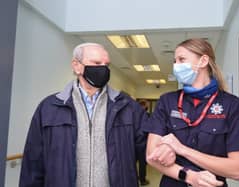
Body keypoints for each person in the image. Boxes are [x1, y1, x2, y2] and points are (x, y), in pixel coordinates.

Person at [19, 43, 148, 187]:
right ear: (76, 66)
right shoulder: (48, 108)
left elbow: (147, 150)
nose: (104, 69)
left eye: (107, 64)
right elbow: (33, 163)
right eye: (97, 63)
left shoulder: (128, 107)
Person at [144, 38, 239, 187]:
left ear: (203, 61)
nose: (176, 66)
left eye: (181, 59)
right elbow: (151, 156)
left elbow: (237, 170)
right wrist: (189, 177)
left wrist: (181, 150)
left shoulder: (232, 106)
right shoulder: (167, 102)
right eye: (174, 61)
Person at [136, 100, 150, 186]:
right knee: (142, 163)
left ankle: (133, 178)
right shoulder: (144, 115)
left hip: (132, 143)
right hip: (141, 143)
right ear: (144, 106)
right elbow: (144, 129)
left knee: (132, 162)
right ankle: (142, 180)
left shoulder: (132, 114)